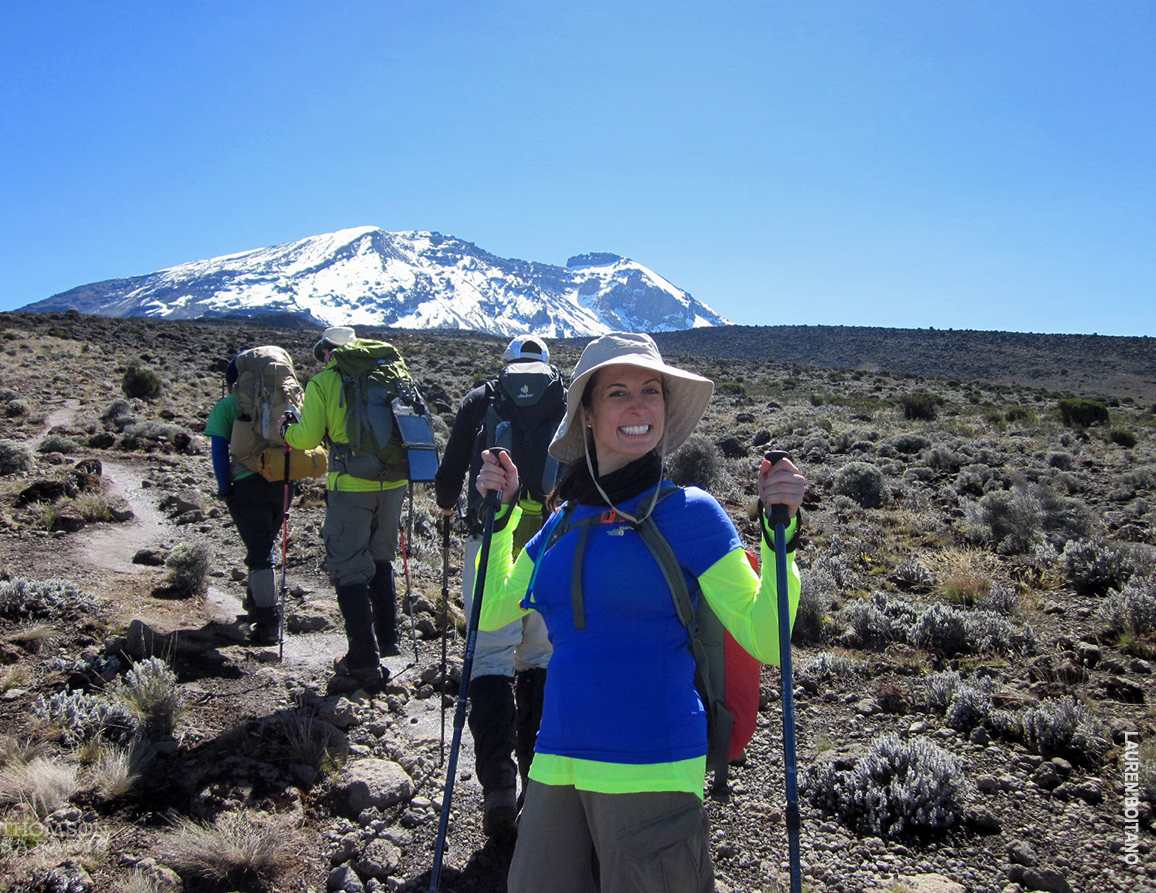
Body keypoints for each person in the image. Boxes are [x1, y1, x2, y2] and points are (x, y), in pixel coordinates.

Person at [475, 332, 806, 893]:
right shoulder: (563, 521)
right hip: (555, 760)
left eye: (651, 391)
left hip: (652, 759)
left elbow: (767, 638)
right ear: (585, 413)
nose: (638, 405)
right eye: (617, 392)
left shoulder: (692, 513)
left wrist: (781, 540)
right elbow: (490, 611)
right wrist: (503, 520)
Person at [434, 333, 564, 836]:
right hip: (552, 542)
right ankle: (537, 782)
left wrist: (449, 501)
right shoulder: (568, 398)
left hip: (492, 535)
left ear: (508, 363)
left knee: (488, 656)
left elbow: (449, 478)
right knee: (540, 657)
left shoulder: (482, 398)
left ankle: (497, 790)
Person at [283, 326, 408, 693]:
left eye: (322, 355)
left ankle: (364, 662)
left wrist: (287, 431)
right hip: (394, 482)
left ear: (328, 353)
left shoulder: (325, 381)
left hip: (351, 483)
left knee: (349, 566)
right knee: (381, 557)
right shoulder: (390, 371)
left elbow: (306, 439)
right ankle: (388, 641)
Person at [204, 358, 288, 645]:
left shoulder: (227, 406)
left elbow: (218, 451)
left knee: (260, 550)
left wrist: (224, 487)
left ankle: (268, 624)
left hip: (246, 485)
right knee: (262, 544)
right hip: (282, 482)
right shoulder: (283, 401)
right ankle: (256, 607)